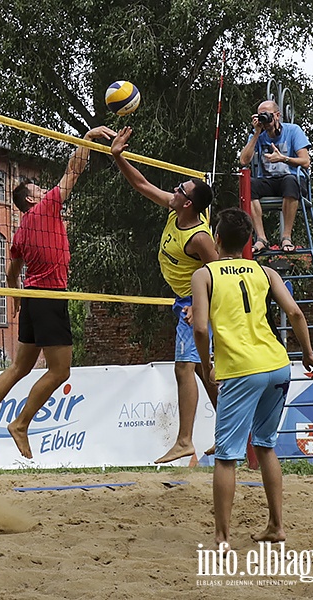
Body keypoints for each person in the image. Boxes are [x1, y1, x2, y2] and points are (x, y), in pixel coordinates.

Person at [0, 125, 117, 459]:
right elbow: (74, 170)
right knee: (60, 370)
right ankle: (21, 424)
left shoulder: (21, 230)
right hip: (50, 297)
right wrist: (89, 137)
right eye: (37, 187)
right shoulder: (47, 205)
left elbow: (12, 272)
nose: (43, 188)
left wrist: (16, 299)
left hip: (34, 298)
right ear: (33, 198)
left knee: (19, 368)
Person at [192, 207, 313, 550]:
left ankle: (221, 538)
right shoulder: (264, 272)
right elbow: (294, 312)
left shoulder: (205, 274)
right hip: (277, 364)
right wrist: (307, 353)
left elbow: (201, 327)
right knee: (265, 445)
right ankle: (276, 526)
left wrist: (206, 366)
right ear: (249, 240)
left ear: (216, 239)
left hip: (241, 369)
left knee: (226, 456)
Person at [111, 126, 219, 464]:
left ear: (188, 202)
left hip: (196, 304)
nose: (173, 190)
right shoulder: (176, 211)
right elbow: (142, 185)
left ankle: (185, 441)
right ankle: (232, 429)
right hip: (185, 302)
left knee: (184, 369)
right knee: (205, 371)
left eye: (179, 189)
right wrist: (118, 156)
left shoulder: (200, 237)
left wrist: (201, 307)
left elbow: (221, 275)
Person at [240, 99, 311, 255]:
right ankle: (261, 239)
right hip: (268, 182)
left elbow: (305, 162)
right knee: (247, 185)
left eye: (267, 115)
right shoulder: (257, 134)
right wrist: (256, 133)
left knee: (290, 181)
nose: (264, 119)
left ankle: (286, 237)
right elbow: (244, 161)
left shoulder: (293, 130)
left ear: (277, 115)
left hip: (291, 180)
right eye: (260, 115)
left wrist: (283, 159)